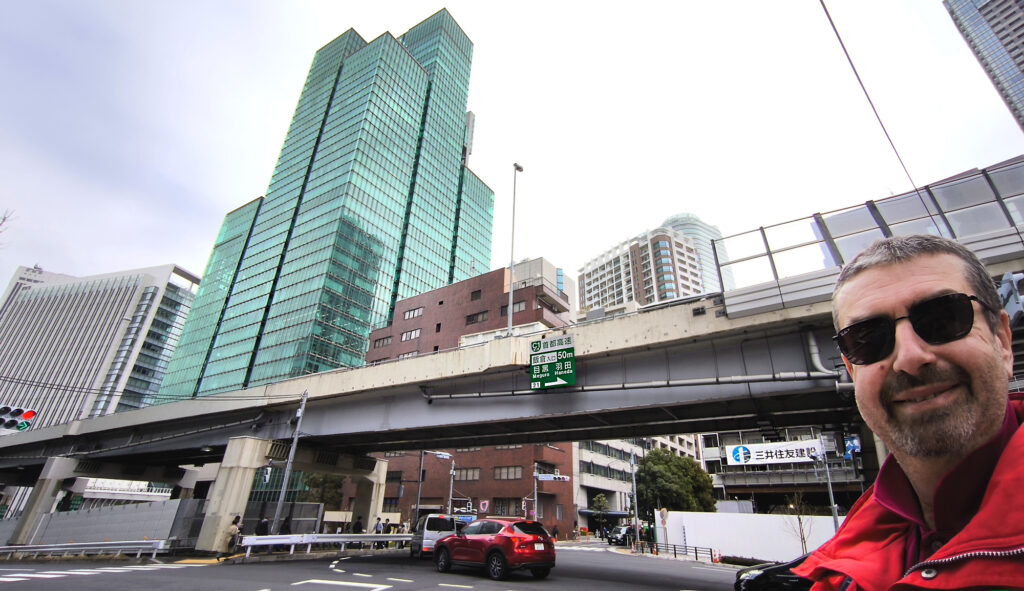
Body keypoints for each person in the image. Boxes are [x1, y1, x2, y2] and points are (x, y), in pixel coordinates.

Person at [788, 235, 1022, 589]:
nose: (910, 357)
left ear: (1002, 342)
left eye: (943, 319)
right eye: (868, 339)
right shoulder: (835, 578)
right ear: (852, 373)